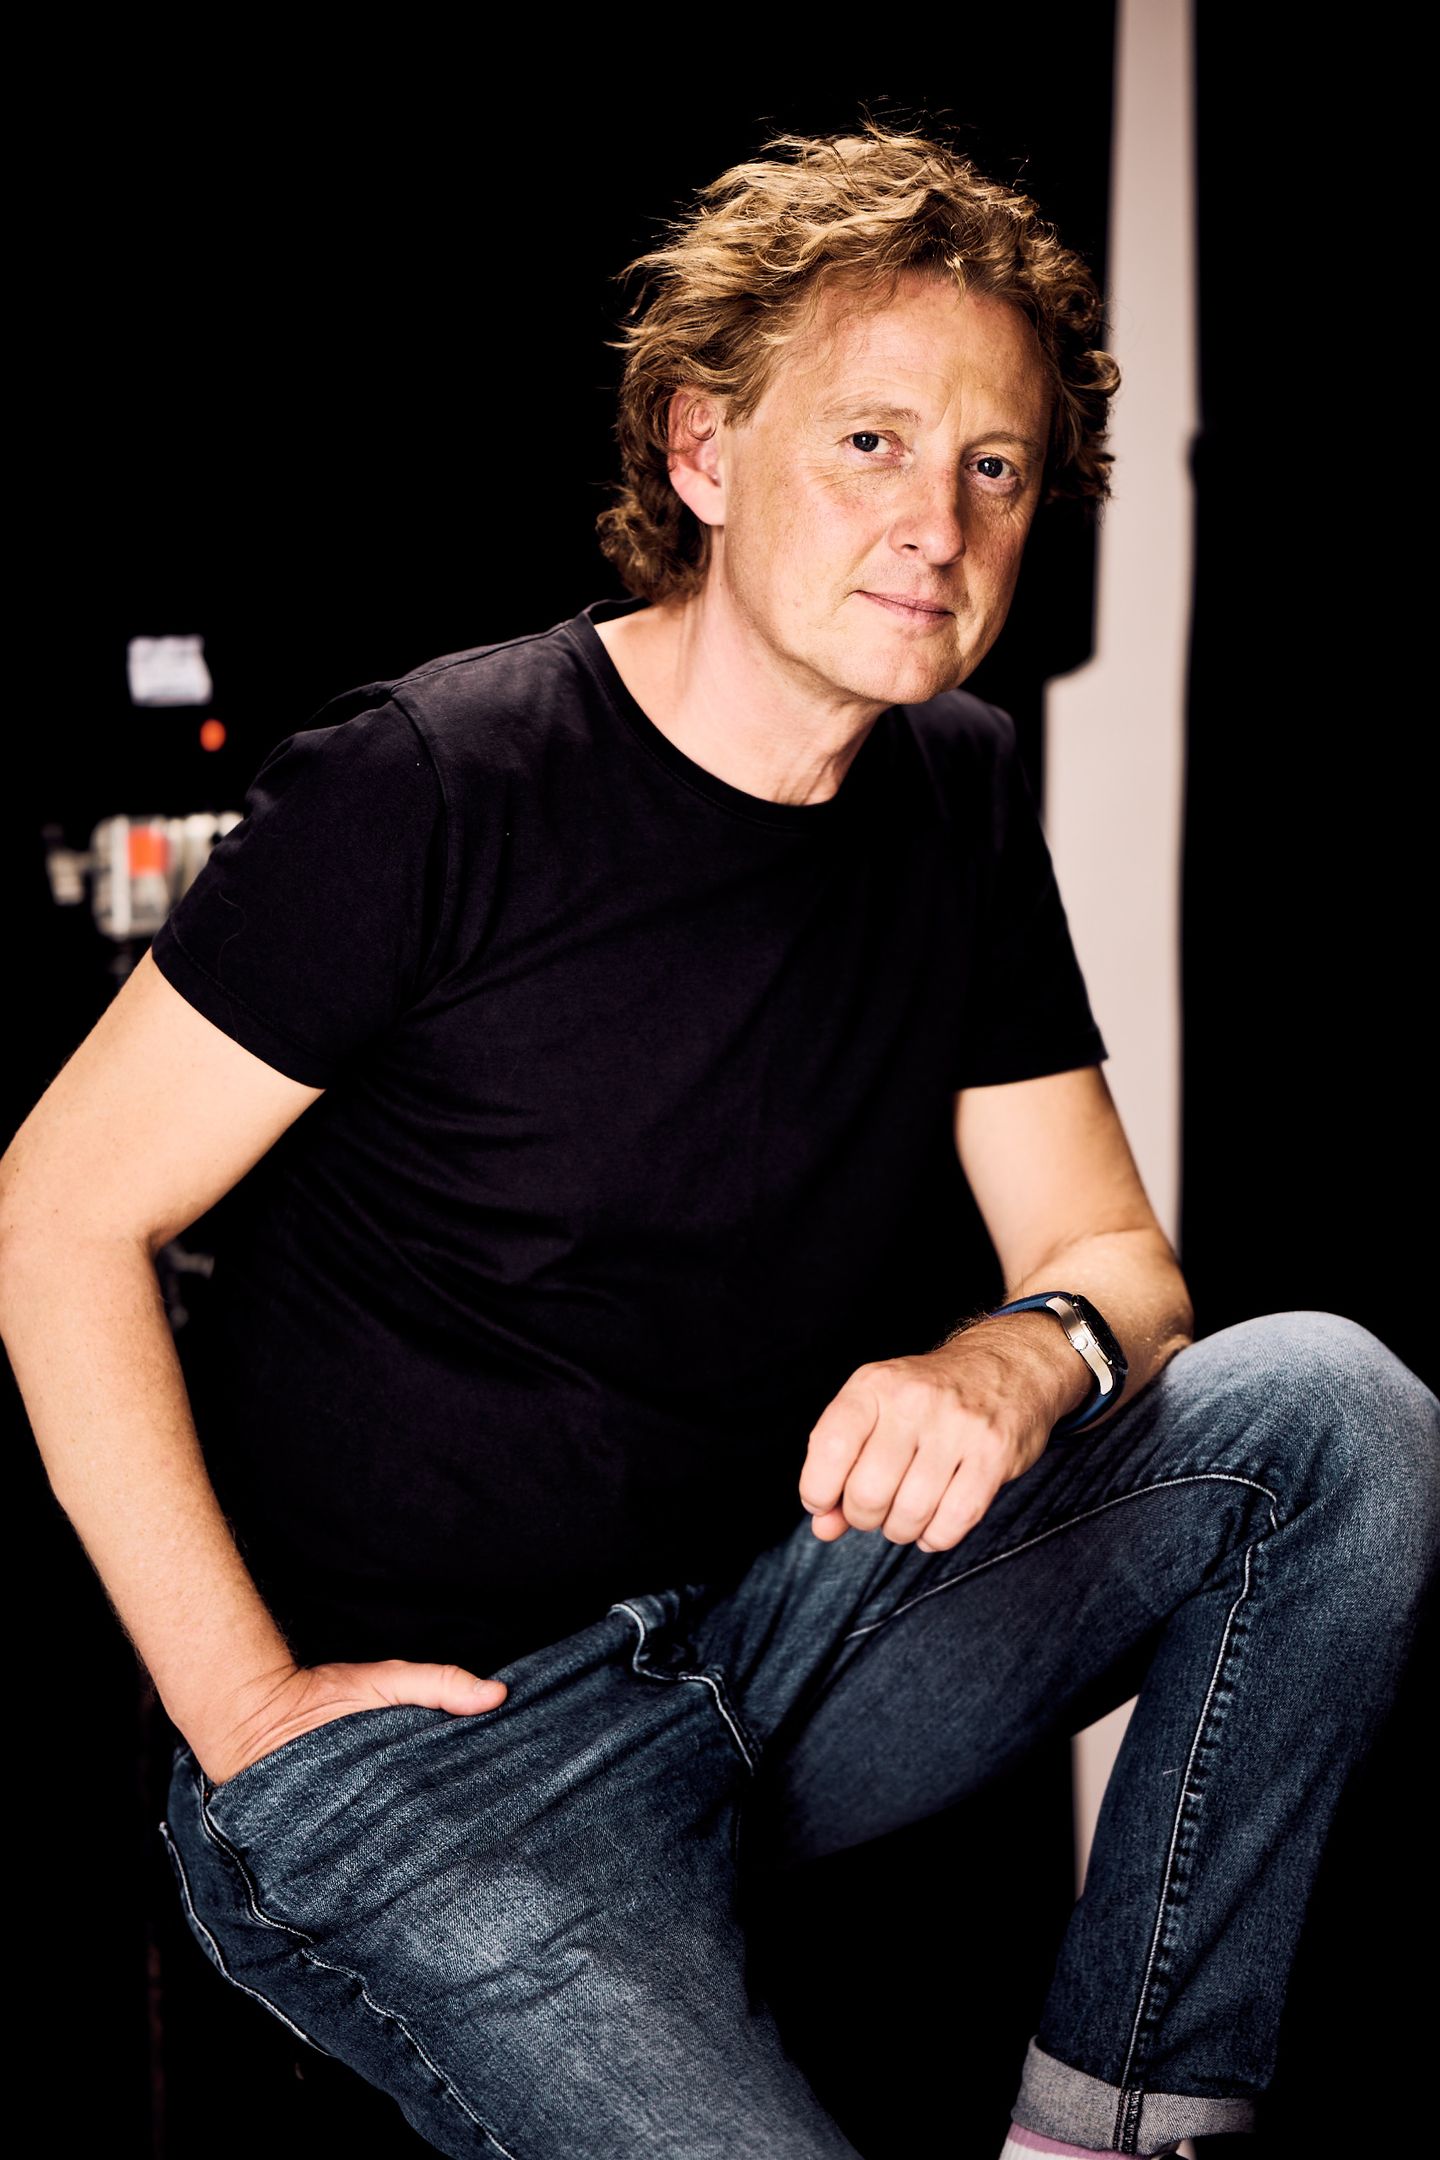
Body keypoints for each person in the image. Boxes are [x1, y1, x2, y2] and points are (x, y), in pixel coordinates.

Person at [1, 124, 1435, 2160]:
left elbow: (1120, 1268)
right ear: (700, 449)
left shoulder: (955, 795)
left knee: (1332, 1418)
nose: (936, 522)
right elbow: (60, 1210)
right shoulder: (431, 785)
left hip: (771, 1647)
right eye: (870, 443)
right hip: (440, 1756)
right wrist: (239, 1713)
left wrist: (1016, 1352)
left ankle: (1112, 2128)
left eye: (996, 467)